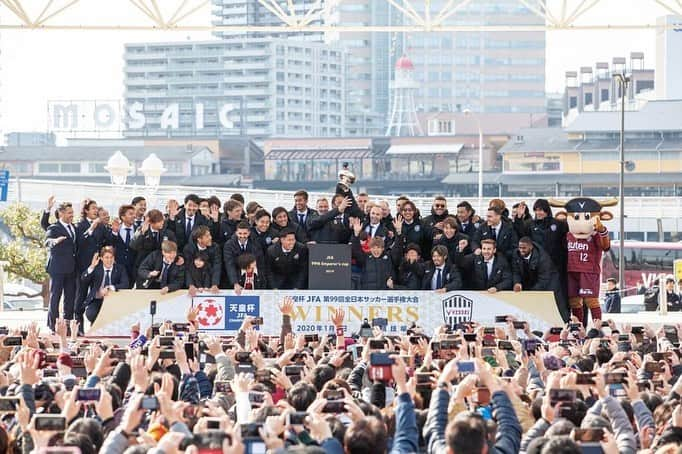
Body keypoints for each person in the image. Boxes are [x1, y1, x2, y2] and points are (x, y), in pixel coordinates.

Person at [511, 237, 566, 321]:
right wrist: (517, 282)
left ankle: (564, 323)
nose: (521, 250)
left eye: (524, 248)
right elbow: (516, 271)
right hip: (531, 278)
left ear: (531, 247)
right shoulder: (516, 254)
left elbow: (544, 279)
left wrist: (531, 293)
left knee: (556, 305)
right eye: (520, 247)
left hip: (550, 280)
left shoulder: (543, 258)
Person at [44, 201, 78, 331]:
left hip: (71, 268)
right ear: (61, 213)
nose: (72, 215)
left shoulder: (73, 227)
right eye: (69, 213)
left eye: (72, 213)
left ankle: (67, 325)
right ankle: (53, 325)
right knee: (55, 296)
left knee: (70, 297)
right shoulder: (54, 228)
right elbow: (47, 241)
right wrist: (54, 241)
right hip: (57, 268)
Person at [80, 246, 129, 324]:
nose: (109, 260)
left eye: (111, 257)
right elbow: (84, 279)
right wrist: (92, 266)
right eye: (106, 257)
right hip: (97, 300)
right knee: (90, 313)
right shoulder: (96, 269)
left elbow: (126, 284)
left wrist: (110, 288)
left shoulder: (120, 269)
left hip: (114, 300)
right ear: (101, 258)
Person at [350, 218, 395, 290]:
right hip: (368, 295)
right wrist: (356, 235)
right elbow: (356, 250)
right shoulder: (365, 258)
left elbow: (398, 250)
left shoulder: (389, 258)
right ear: (370, 248)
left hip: (384, 296)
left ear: (383, 248)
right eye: (373, 247)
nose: (376, 250)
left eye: (378, 247)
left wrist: (399, 234)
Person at [224, 221, 265, 293]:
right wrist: (235, 283)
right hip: (236, 276)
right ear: (236, 232)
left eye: (245, 233)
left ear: (249, 233)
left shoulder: (255, 243)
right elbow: (229, 264)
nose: (242, 236)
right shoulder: (229, 245)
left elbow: (260, 262)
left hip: (253, 276)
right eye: (240, 233)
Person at [183, 225, 221, 295]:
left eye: (210, 235)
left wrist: (214, 284)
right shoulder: (189, 249)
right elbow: (187, 268)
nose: (210, 238)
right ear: (199, 239)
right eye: (207, 236)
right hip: (195, 285)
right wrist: (191, 285)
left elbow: (217, 266)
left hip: (210, 284)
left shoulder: (215, 247)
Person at [110, 204, 137, 287]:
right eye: (130, 214)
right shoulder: (116, 229)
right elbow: (110, 244)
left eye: (134, 214)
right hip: (119, 268)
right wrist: (114, 232)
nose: (134, 216)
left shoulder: (138, 229)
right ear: (123, 217)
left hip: (134, 268)